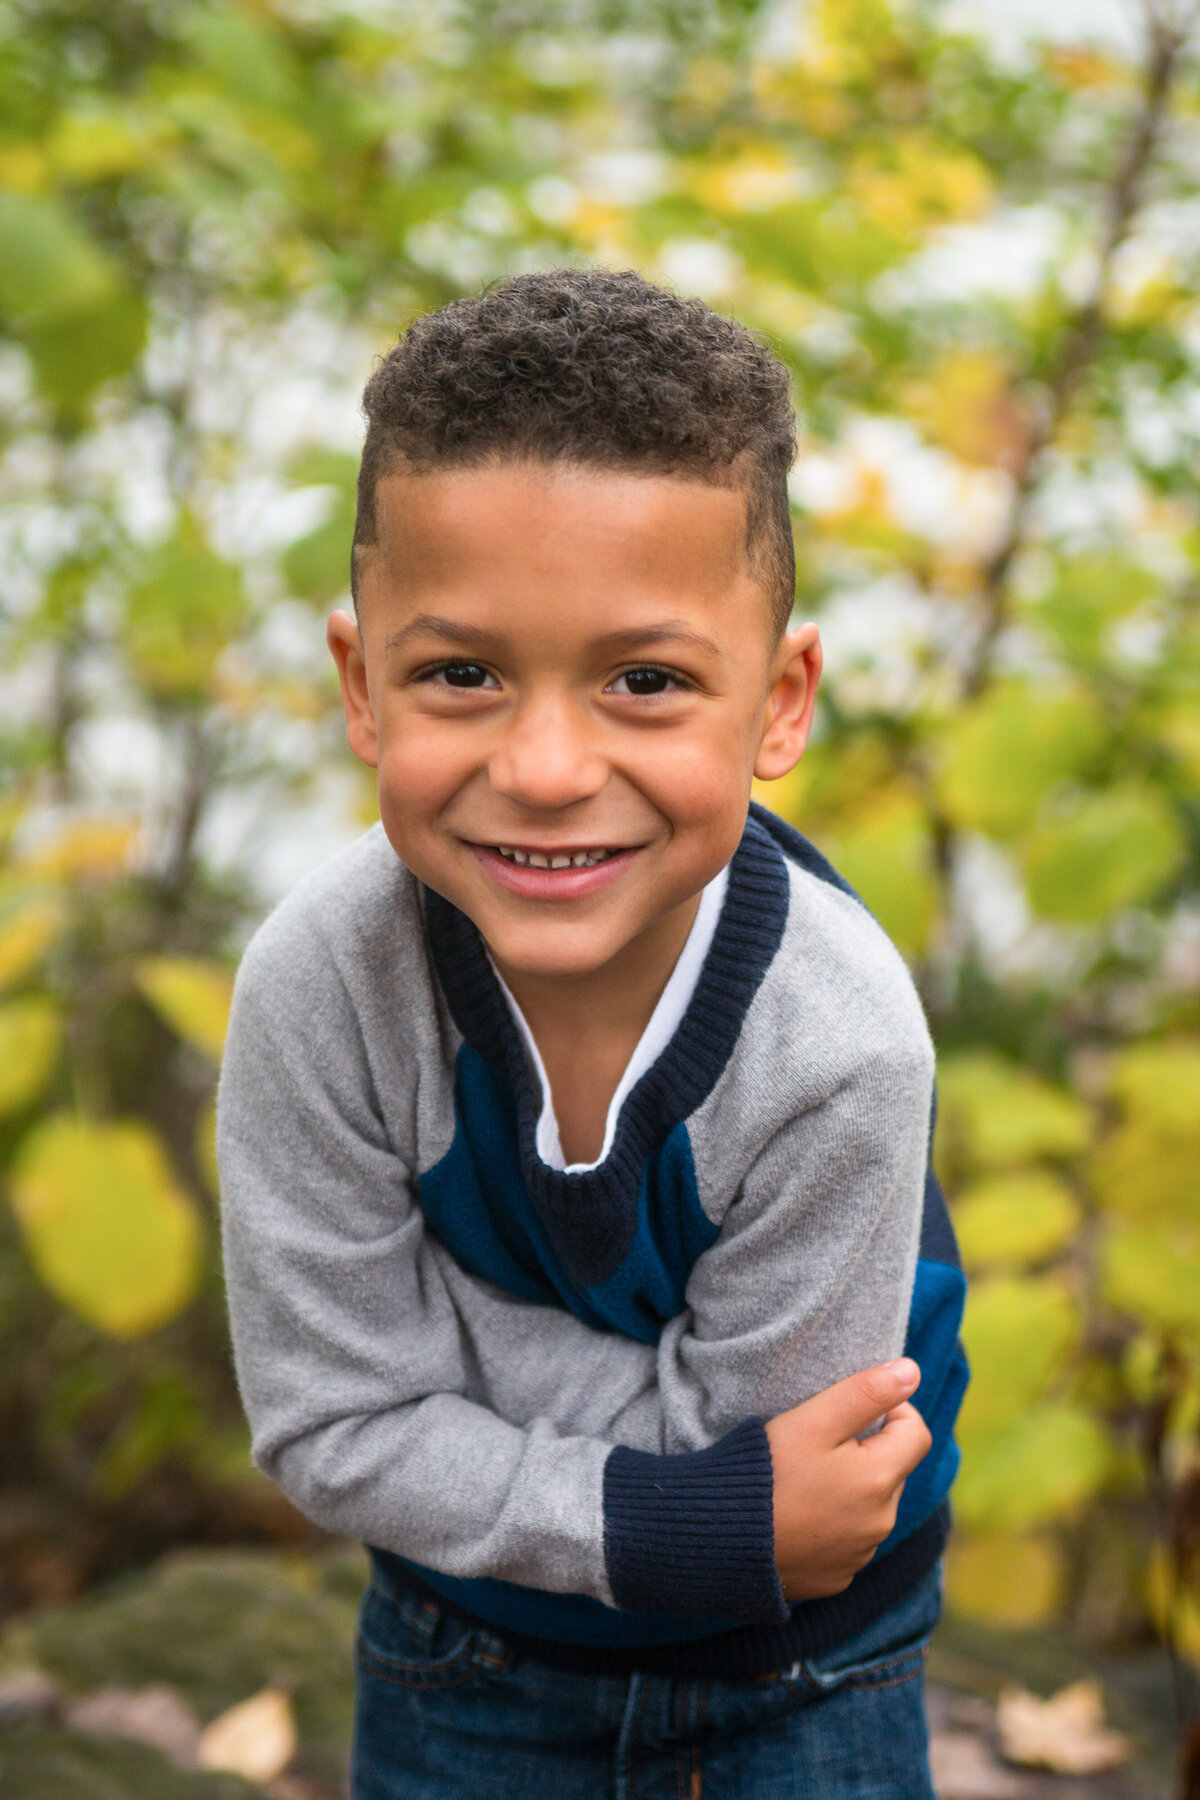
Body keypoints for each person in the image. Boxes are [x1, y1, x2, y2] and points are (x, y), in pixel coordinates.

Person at [217, 268, 969, 1800]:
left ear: (778, 702)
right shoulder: (321, 987)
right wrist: (667, 1514)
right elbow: (327, 1428)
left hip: (804, 1667)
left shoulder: (839, 1044)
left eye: (645, 681)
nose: (549, 767)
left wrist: (437, 1380)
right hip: (463, 1651)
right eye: (463, 674)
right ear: (364, 687)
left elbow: (780, 1465)